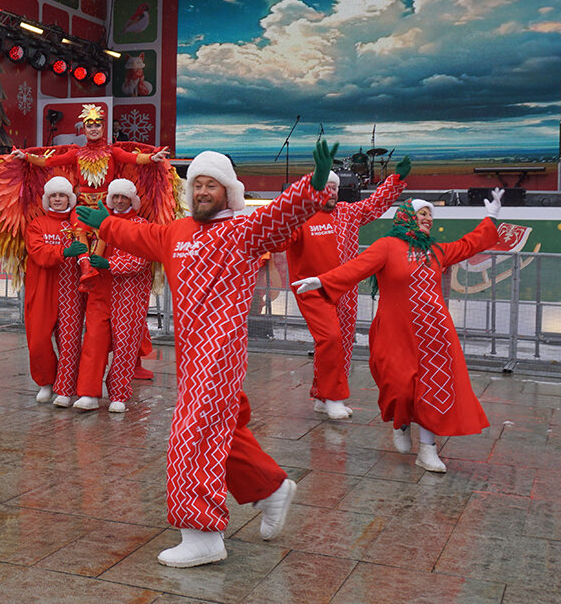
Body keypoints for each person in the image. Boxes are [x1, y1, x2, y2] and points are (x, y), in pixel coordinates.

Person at [77, 140, 336, 567]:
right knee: (221, 432)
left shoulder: (243, 230)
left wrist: (315, 185)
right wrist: (106, 224)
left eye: (211, 185)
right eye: (196, 184)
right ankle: (271, 489)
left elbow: (281, 215)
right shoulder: (177, 232)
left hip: (220, 353)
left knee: (190, 436)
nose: (202, 192)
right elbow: (141, 235)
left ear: (227, 191)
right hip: (190, 353)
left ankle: (202, 534)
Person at [293, 191, 503, 474]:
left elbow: (470, 244)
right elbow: (356, 269)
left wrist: (491, 218)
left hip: (434, 334)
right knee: (401, 387)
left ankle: (427, 450)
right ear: (407, 217)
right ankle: (402, 422)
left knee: (432, 390)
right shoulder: (387, 246)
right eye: (423, 214)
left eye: (431, 214)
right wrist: (321, 280)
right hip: (395, 334)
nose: (428, 219)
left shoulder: (436, 251)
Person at [281, 159, 410, 419]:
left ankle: (322, 394)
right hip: (312, 289)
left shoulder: (348, 213)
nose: (332, 193)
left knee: (340, 343)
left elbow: (374, 206)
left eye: (335, 188)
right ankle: (334, 397)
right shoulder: (301, 216)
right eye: (325, 187)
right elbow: (279, 237)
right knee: (330, 338)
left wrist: (395, 181)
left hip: (346, 290)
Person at [11, 104, 170, 288]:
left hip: (105, 206)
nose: (94, 129)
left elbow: (132, 158)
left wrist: (151, 158)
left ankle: (96, 268)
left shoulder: (113, 151)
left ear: (103, 128)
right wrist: (26, 157)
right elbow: (49, 161)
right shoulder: (77, 154)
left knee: (105, 228)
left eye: (97, 125)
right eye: (89, 125)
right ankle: (86, 267)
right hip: (83, 205)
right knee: (78, 225)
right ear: (84, 129)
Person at [73, 179, 152, 413]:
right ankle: (88, 393)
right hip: (100, 291)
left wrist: (110, 263)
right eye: (115, 197)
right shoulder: (100, 223)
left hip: (130, 294)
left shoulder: (141, 225)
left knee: (125, 344)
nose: (119, 201)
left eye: (123, 197)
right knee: (94, 341)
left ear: (131, 200)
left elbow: (141, 258)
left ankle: (119, 393)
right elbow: (84, 245)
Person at [23, 176, 86, 405]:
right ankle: (46, 382)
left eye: (62, 195)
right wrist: (63, 251)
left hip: (71, 291)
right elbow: (38, 252)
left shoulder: (76, 224)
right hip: (42, 289)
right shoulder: (37, 224)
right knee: (38, 340)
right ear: (47, 198)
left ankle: (66, 387)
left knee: (69, 340)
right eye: (54, 195)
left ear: (70, 198)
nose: (58, 199)